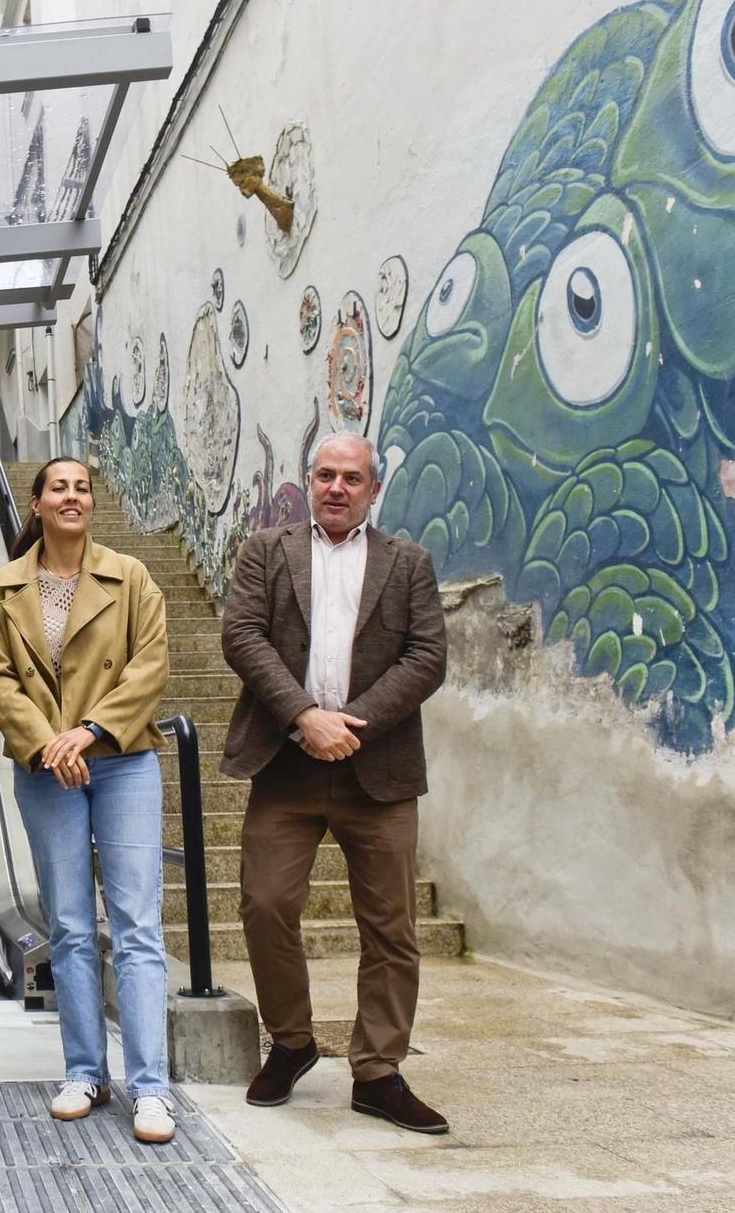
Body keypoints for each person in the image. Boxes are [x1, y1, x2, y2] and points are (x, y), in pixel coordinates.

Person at [219, 432, 450, 1134]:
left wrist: (349, 722)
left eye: (352, 477)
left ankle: (378, 1071)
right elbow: (242, 635)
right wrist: (303, 716)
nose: (336, 487)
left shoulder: (408, 562)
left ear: (373, 489)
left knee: (391, 925)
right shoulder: (267, 551)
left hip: (375, 770)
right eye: (325, 474)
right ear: (308, 480)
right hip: (287, 765)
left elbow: (427, 656)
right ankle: (290, 1041)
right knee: (265, 902)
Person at [0, 456, 176, 1144]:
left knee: (137, 923)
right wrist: (49, 744)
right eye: (58, 486)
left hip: (121, 759)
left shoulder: (133, 577)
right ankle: (84, 1069)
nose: (71, 496)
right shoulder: (4, 588)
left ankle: (151, 1085)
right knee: (67, 923)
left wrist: (86, 734)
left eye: (82, 487)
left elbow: (151, 665)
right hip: (44, 767)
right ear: (35, 503)